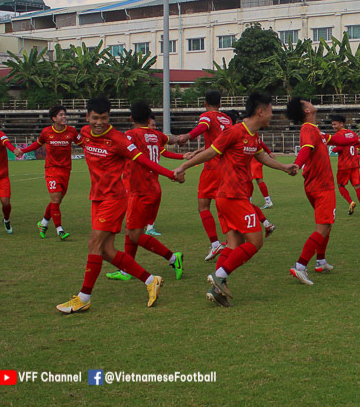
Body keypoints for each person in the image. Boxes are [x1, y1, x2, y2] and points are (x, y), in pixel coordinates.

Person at [56, 97, 184, 314]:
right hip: (96, 197)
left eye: (104, 118)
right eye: (95, 118)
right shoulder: (85, 133)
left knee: (94, 244)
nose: (99, 123)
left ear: (109, 118)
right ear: (87, 117)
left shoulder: (120, 139)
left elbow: (145, 160)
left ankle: (84, 298)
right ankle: (151, 280)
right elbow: (71, 137)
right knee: (106, 251)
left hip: (114, 199)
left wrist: (171, 174)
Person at [174, 92, 298, 307]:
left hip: (234, 196)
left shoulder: (253, 136)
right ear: (260, 111)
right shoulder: (234, 132)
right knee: (256, 241)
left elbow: (262, 156)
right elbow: (211, 152)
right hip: (232, 197)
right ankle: (220, 276)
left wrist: (284, 167)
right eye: (270, 110)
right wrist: (183, 166)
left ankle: (217, 290)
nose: (272, 115)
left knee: (235, 243)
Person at [286, 97, 360, 284]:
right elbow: (306, 148)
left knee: (327, 225)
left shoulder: (316, 131)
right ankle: (300, 266)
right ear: (306, 110)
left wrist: (359, 140)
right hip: (321, 186)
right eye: (306, 102)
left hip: (316, 185)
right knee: (323, 227)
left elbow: (336, 139)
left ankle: (321, 261)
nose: (310, 102)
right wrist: (297, 165)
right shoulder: (308, 129)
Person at [106, 101, 186, 282]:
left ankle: (173, 258)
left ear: (131, 118)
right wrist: (182, 138)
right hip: (153, 188)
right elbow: (173, 139)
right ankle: (127, 269)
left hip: (139, 189)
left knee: (135, 234)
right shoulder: (156, 135)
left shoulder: (130, 135)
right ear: (148, 118)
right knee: (132, 229)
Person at [175, 91, 233, 261]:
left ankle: (216, 244)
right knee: (224, 206)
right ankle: (232, 242)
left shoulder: (207, 116)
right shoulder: (227, 119)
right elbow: (219, 142)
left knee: (203, 206)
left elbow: (203, 126)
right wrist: (198, 151)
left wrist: (187, 136)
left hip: (212, 167)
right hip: (227, 167)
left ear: (206, 103)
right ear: (220, 104)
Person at [15, 105, 81, 240]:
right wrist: (23, 150)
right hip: (51, 169)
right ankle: (59, 229)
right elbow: (37, 144)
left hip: (66, 170)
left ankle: (43, 222)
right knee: (56, 199)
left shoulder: (72, 131)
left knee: (57, 201)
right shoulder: (46, 132)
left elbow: (82, 143)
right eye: (61, 115)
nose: (64, 117)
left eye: (65, 114)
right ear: (54, 118)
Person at [330, 114, 360, 216]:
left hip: (344, 165)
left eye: (335, 124)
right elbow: (358, 146)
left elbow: (340, 148)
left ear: (341, 124)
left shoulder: (338, 135)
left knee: (340, 185)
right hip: (354, 164)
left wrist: (334, 149)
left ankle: (351, 202)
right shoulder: (352, 134)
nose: (333, 127)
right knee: (357, 186)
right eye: (332, 125)